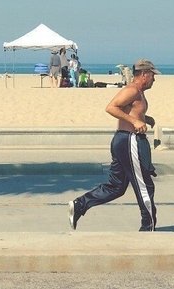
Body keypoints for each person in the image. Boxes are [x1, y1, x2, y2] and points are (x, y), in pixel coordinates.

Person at [68, 59, 160, 231]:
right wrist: (134, 120)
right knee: (144, 185)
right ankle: (148, 227)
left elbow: (128, 110)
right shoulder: (132, 90)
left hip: (123, 141)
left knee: (116, 186)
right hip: (129, 141)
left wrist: (145, 119)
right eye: (153, 76)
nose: (154, 80)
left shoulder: (139, 92)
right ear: (145, 74)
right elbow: (111, 107)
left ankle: (80, 205)